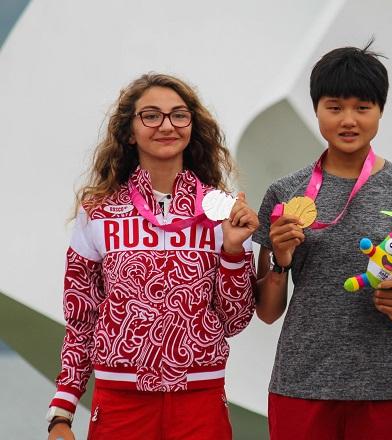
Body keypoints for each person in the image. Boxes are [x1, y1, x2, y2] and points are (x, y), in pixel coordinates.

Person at [253, 42, 392, 440]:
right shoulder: (285, 192)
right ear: (316, 109)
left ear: (380, 110)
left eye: (363, 107)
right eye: (335, 106)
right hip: (301, 383)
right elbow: (268, 311)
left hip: (387, 387)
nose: (348, 120)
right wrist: (280, 261)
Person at [46, 73, 259, 440]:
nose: (166, 125)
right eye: (151, 115)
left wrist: (234, 252)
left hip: (200, 401)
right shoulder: (98, 211)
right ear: (129, 131)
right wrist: (62, 413)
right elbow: (81, 318)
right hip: (120, 404)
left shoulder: (223, 210)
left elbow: (235, 320)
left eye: (179, 115)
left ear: (192, 127)